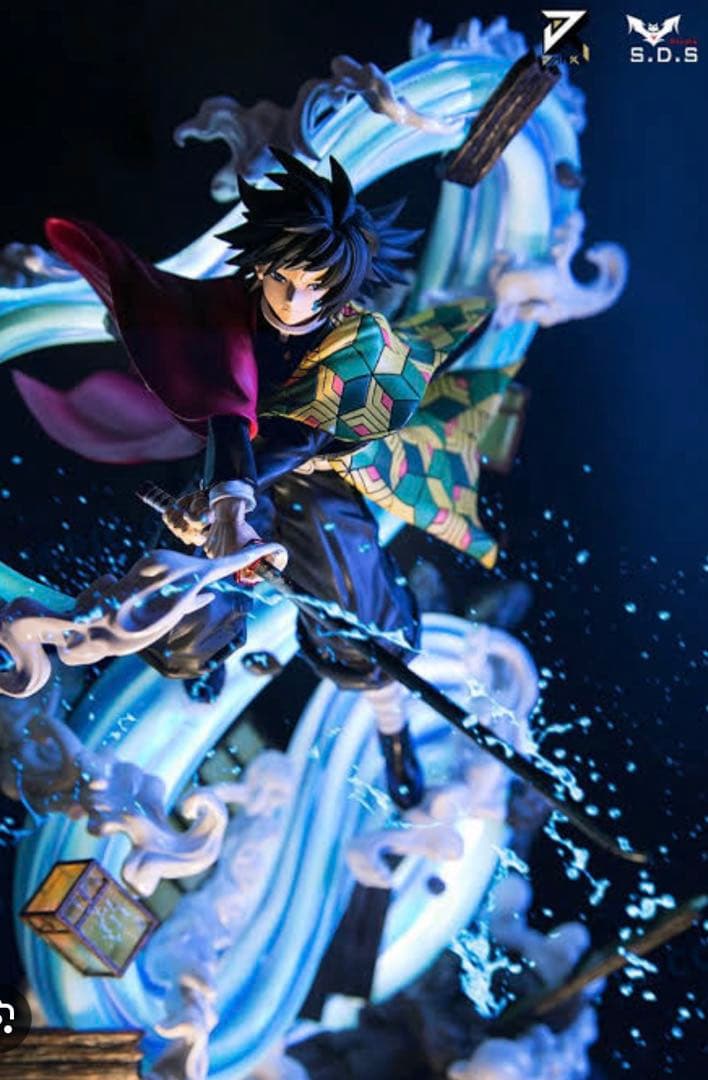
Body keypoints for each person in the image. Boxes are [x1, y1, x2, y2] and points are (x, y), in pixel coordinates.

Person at [13, 150, 526, 807]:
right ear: (262, 265)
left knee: (359, 610)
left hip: (306, 477)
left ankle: (391, 727)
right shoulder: (228, 311)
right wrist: (218, 502)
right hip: (226, 467)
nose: (297, 302)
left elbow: (300, 436)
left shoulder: (361, 345)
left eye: (318, 289)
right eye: (287, 280)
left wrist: (230, 498)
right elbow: (226, 408)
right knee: (186, 613)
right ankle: (208, 653)